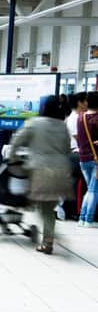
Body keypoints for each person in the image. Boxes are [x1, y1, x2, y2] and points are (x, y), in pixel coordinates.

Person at [9, 96, 73, 254]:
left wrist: (13, 158)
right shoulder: (62, 126)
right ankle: (50, 237)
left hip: (41, 171)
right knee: (48, 207)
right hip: (61, 171)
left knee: (40, 205)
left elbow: (17, 141)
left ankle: (50, 238)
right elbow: (67, 148)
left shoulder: (34, 123)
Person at [76, 91, 98, 228]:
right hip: (96, 158)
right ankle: (88, 219)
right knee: (93, 190)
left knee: (90, 189)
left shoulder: (80, 117)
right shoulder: (97, 118)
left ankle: (82, 218)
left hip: (83, 158)